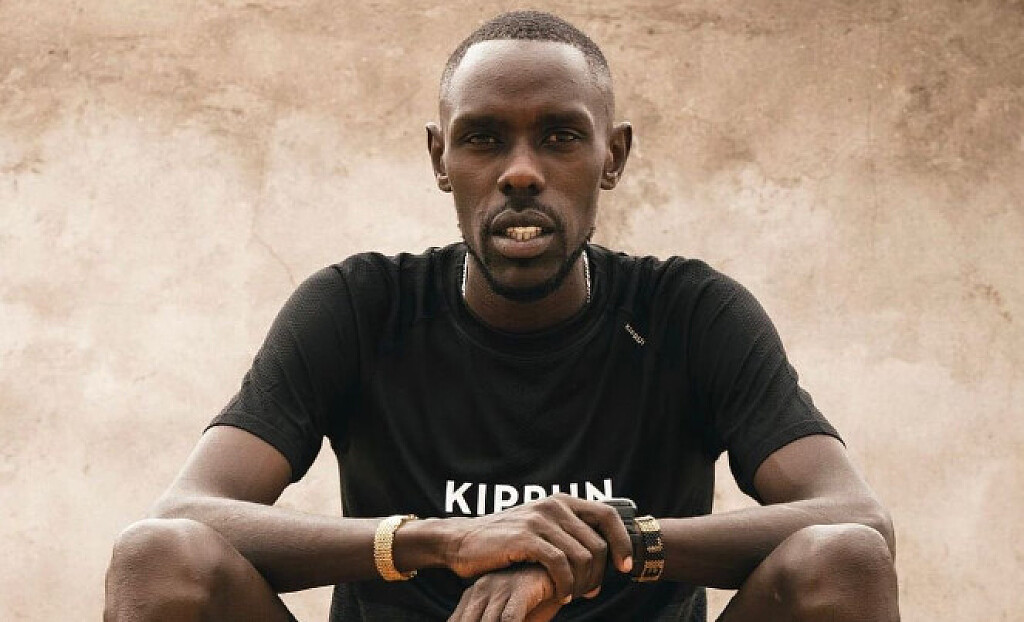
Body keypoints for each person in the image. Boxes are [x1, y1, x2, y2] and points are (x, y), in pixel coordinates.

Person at [104, 10, 899, 622]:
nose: (521, 172)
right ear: (440, 158)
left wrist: (598, 546)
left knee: (842, 563)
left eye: (559, 137)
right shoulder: (360, 307)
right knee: (159, 559)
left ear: (613, 156)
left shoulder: (688, 314)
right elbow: (184, 514)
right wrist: (444, 540)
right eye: (484, 139)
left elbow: (856, 518)